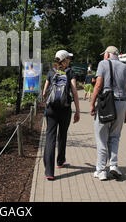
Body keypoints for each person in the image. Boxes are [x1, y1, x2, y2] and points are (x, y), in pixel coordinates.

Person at [90, 46, 126, 181]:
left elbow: (98, 85)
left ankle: (101, 170)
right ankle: (113, 165)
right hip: (121, 103)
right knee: (114, 136)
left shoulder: (102, 64)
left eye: (104, 54)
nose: (103, 56)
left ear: (108, 55)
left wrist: (92, 104)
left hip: (106, 104)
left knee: (102, 137)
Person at [42, 50, 81, 180]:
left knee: (50, 138)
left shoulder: (51, 71)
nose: (69, 60)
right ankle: (60, 161)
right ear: (64, 60)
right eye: (68, 58)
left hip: (51, 109)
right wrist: (78, 111)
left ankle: (49, 171)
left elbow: (44, 92)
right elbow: (74, 92)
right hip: (65, 109)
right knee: (62, 134)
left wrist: (47, 102)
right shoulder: (70, 72)